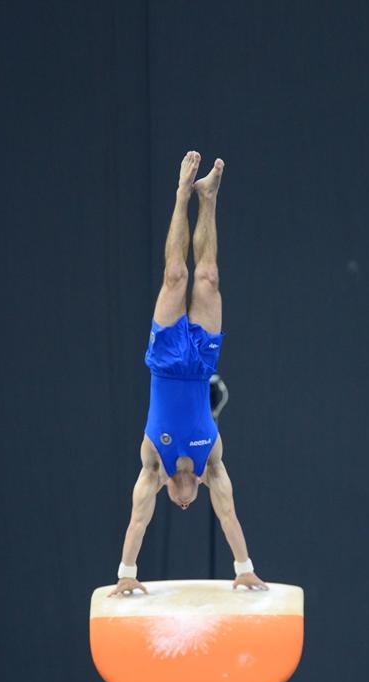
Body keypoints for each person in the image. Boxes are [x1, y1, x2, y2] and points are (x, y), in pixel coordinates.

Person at [109, 152, 267, 597]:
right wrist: (244, 565)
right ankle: (204, 197)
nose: (182, 504)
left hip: (164, 360)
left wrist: (126, 572)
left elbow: (138, 519)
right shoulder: (211, 459)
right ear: (198, 485)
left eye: (177, 503)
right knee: (208, 277)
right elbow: (228, 515)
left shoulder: (151, 465)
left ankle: (188, 197)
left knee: (179, 275)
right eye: (187, 502)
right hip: (200, 364)